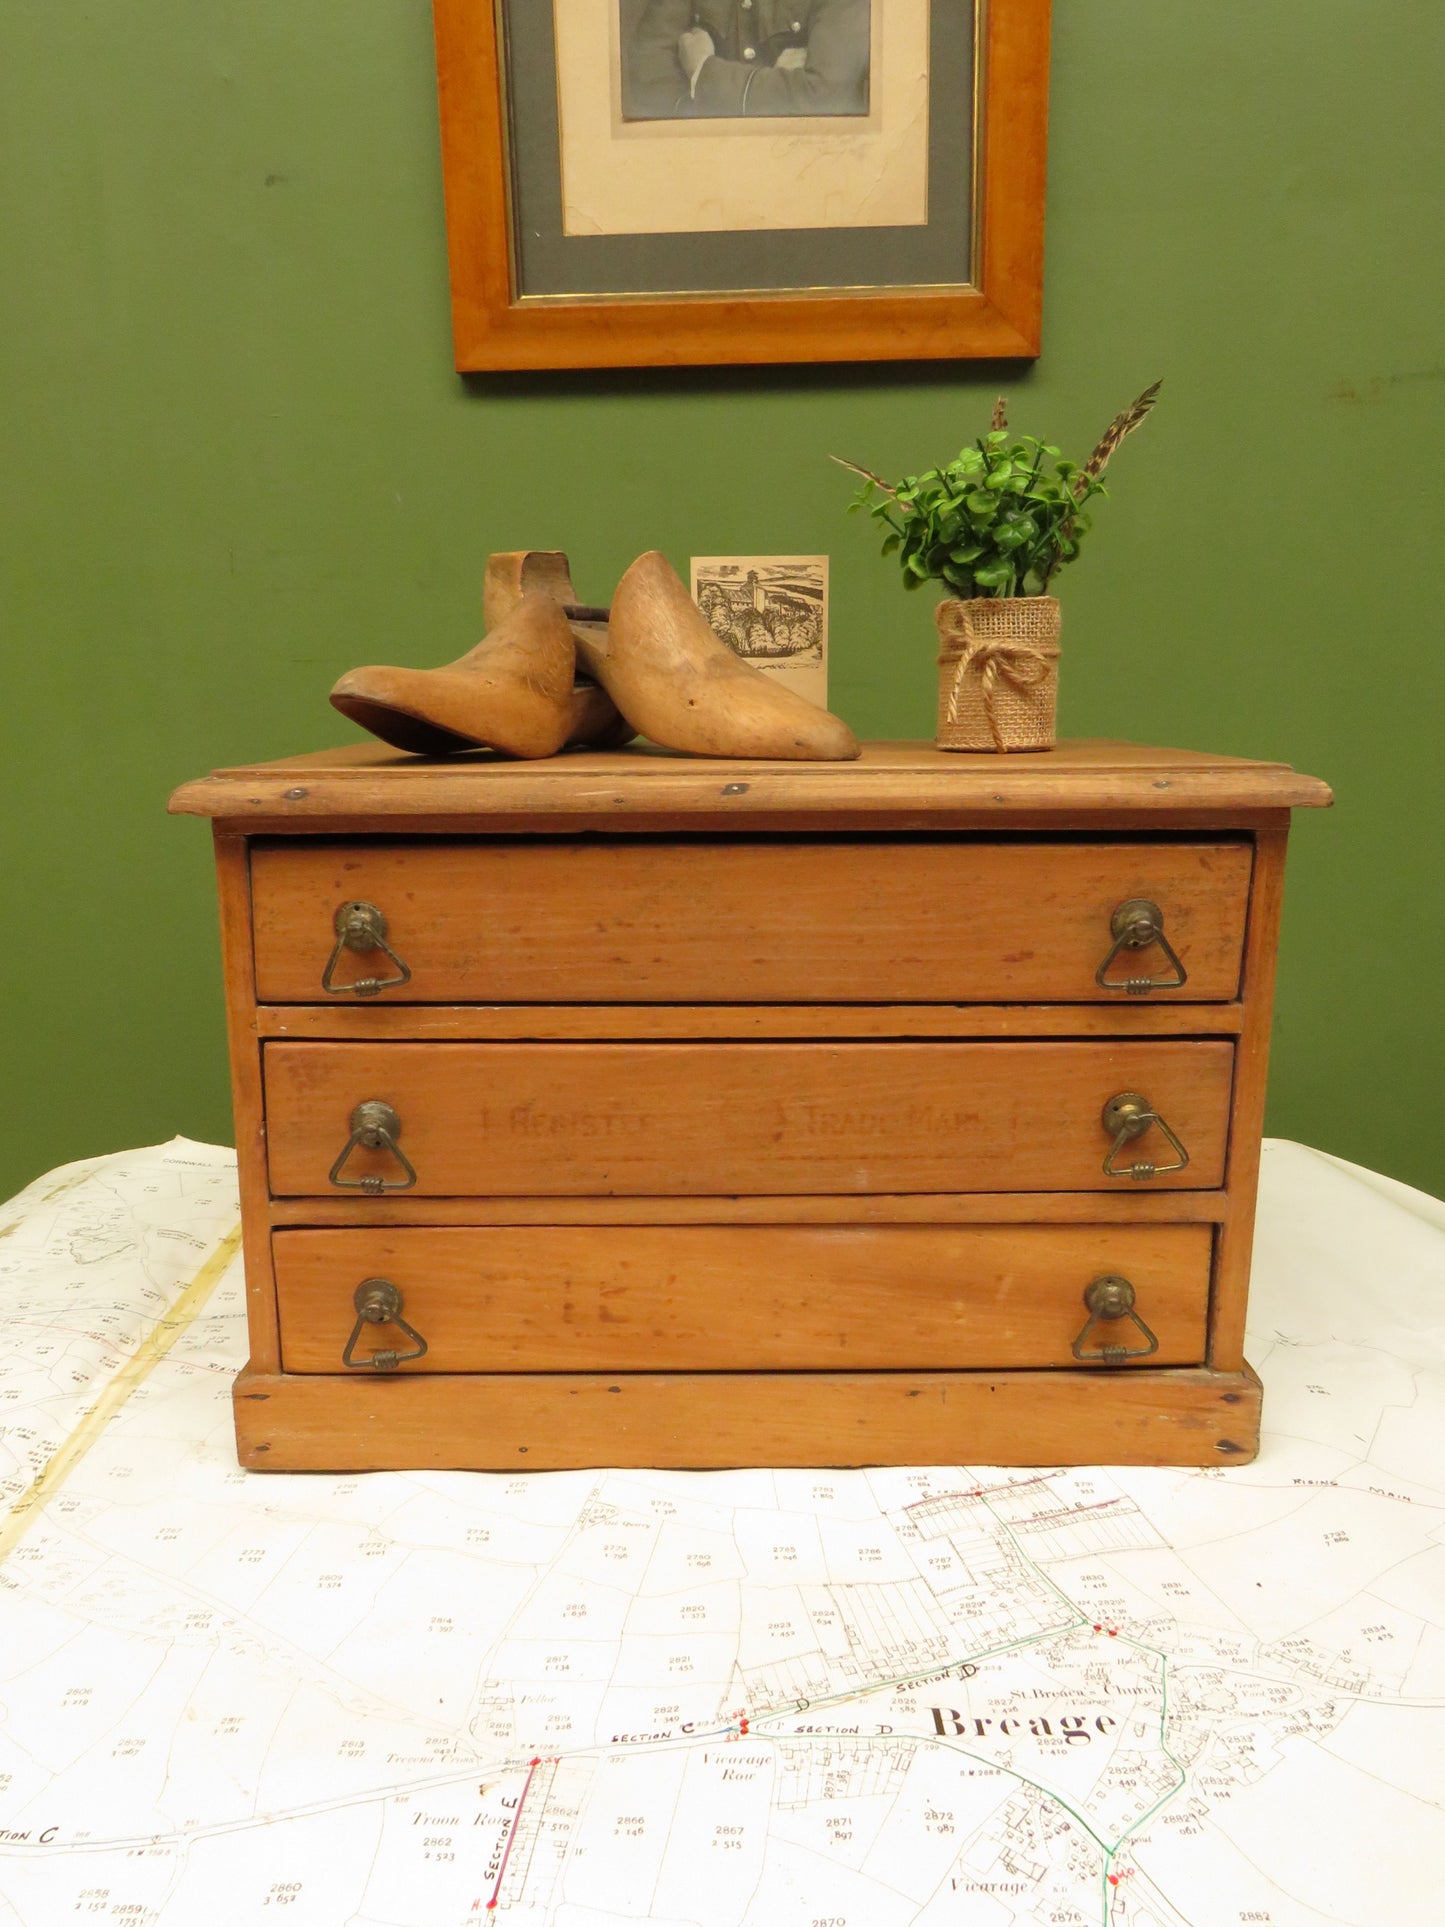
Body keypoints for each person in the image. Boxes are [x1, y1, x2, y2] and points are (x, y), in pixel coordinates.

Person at [624, 0, 870, 120]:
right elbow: (649, 85)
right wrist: (785, 89)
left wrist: (703, 72)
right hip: (708, 164)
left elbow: (826, 97)